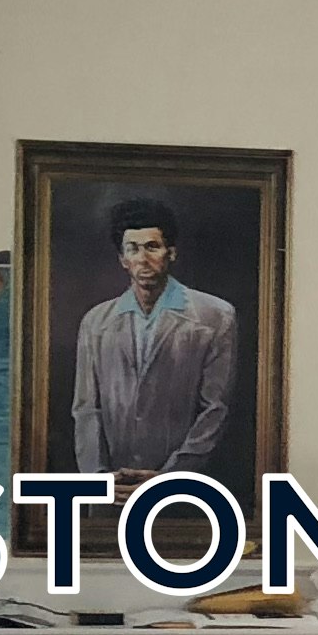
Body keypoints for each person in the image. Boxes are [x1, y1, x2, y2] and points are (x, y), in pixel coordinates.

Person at [68, 190, 236, 482]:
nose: (143, 259)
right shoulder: (96, 322)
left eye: (152, 247)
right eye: (132, 249)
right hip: (112, 488)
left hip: (184, 487)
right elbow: (86, 410)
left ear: (171, 253)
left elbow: (215, 409)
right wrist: (99, 481)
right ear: (122, 259)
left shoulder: (215, 316)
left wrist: (170, 477)